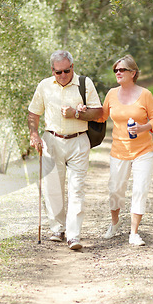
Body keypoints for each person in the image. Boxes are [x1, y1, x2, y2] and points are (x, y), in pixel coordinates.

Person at [28, 50, 103, 250]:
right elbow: (33, 112)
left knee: (76, 188)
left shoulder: (85, 83)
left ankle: (74, 235)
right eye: (58, 72)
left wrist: (76, 114)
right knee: (53, 188)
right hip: (52, 141)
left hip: (78, 141)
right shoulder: (44, 86)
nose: (63, 76)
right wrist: (34, 134)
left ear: (72, 67)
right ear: (52, 71)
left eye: (66, 71)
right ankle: (57, 229)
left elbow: (99, 112)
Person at [99, 54, 153, 246]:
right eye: (115, 70)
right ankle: (114, 224)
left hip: (143, 150)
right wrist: (82, 110)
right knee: (116, 191)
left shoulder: (145, 95)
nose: (118, 73)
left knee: (140, 189)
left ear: (133, 73)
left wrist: (144, 127)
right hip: (119, 150)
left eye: (122, 70)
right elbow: (101, 117)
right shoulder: (111, 94)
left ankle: (134, 233)